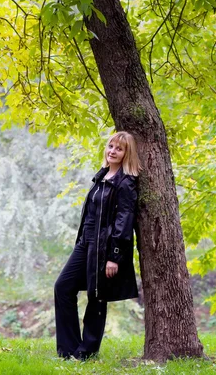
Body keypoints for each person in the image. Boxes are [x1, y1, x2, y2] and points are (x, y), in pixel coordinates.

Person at [54, 131, 141, 360]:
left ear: (126, 153)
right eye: (110, 146)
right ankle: (68, 349)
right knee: (62, 287)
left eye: (119, 148)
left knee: (97, 295)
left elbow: (124, 220)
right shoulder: (101, 176)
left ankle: (87, 351)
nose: (112, 151)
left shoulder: (125, 183)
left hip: (105, 247)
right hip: (85, 243)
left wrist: (114, 255)